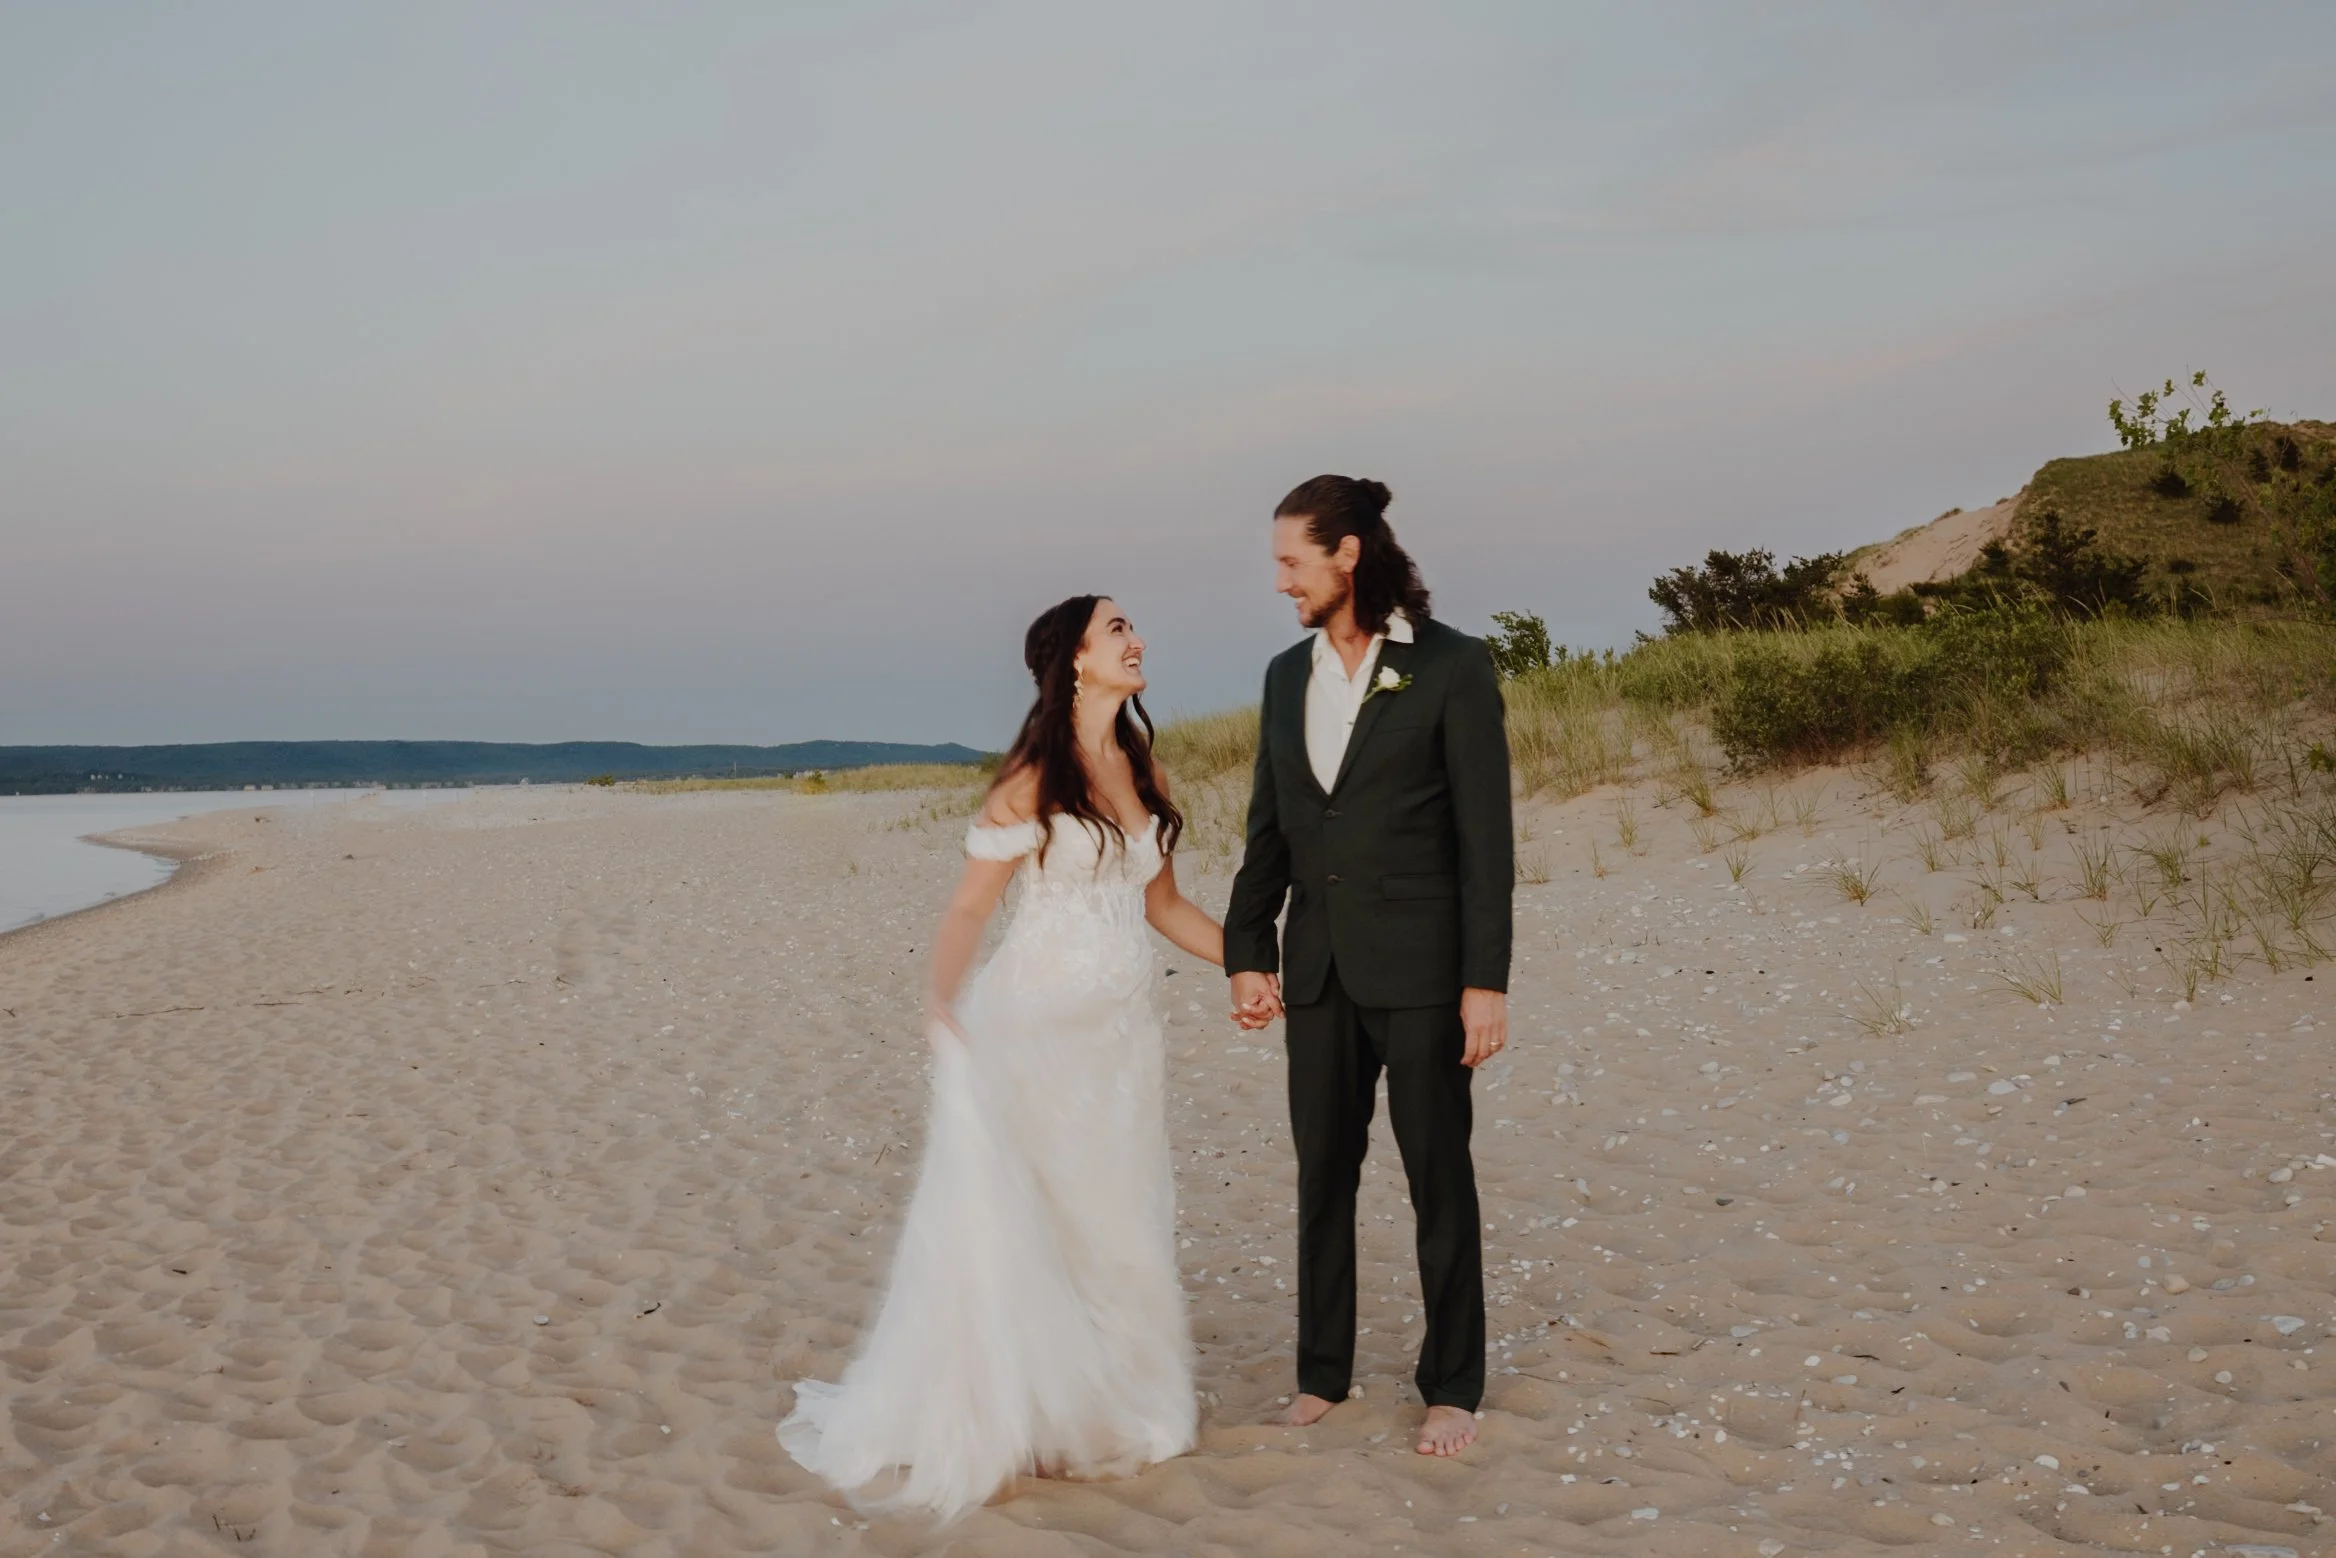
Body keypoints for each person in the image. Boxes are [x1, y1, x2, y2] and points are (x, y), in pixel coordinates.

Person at [778, 594, 1231, 1521]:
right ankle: (1025, 1405)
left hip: (1119, 1043)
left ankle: (1107, 1402)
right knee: (1033, 1221)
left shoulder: (1140, 765)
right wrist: (939, 999)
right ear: (1072, 659)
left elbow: (1167, 910)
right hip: (1033, 1034)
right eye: (1117, 630)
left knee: (1117, 1221)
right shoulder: (1033, 777)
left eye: (1133, 627)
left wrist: (1265, 965)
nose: (1137, 639)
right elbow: (970, 910)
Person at [1223, 475, 1513, 1458]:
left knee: (1438, 1177)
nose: (1279, 582)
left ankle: (1453, 1383)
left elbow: (1486, 839)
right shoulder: (1280, 677)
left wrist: (1485, 979)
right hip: (1317, 970)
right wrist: (1246, 951)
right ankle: (1319, 1373)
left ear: (1346, 555)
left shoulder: (1450, 667)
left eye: (1290, 562)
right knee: (1321, 1178)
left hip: (1426, 971)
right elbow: (1271, 824)